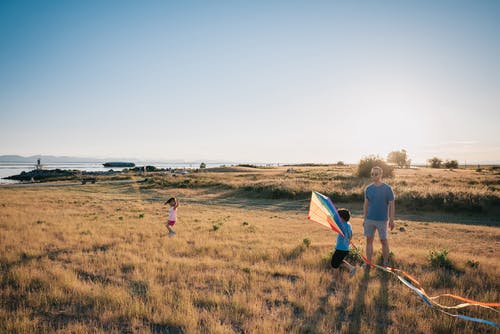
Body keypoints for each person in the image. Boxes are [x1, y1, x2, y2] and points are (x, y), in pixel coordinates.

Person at [363, 166, 395, 267]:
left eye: (376, 174)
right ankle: (368, 262)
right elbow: (366, 204)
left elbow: (392, 205)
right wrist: (364, 219)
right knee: (369, 241)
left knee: (383, 241)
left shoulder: (387, 189)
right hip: (369, 219)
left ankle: (385, 263)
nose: (374, 176)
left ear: (381, 175)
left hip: (382, 220)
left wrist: (391, 220)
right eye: (372, 174)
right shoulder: (368, 189)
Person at [331, 208, 357, 277]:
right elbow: (351, 235)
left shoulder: (342, 225)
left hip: (341, 248)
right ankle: (351, 268)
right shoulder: (348, 225)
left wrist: (333, 211)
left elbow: (334, 219)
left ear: (341, 218)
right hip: (345, 248)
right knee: (338, 261)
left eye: (339, 217)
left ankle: (335, 278)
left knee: (334, 263)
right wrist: (348, 242)